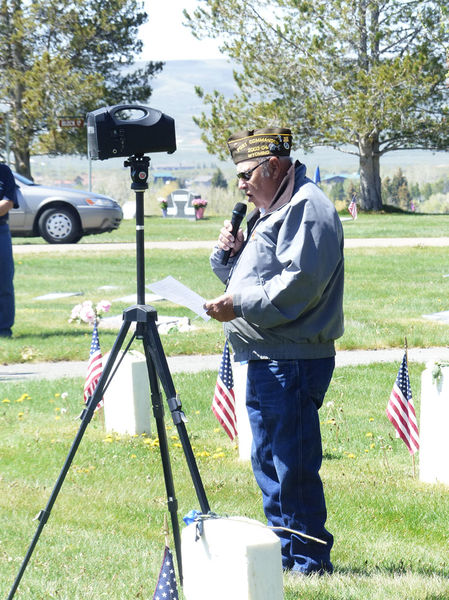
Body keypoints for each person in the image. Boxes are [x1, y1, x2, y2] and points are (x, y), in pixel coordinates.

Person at [204, 128, 344, 575]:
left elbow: (300, 284)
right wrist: (230, 257)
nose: (241, 184)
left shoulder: (309, 207)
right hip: (266, 355)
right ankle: (285, 554)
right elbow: (257, 273)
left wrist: (240, 303)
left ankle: (308, 560)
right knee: (267, 459)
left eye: (247, 174)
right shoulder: (275, 208)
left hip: (293, 360)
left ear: (276, 166)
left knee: (292, 463)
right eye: (239, 176)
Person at [0, 162, 19, 338]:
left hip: (1, 231)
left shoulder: (3, 171)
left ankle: (4, 330)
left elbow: (8, 202)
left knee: (3, 281)